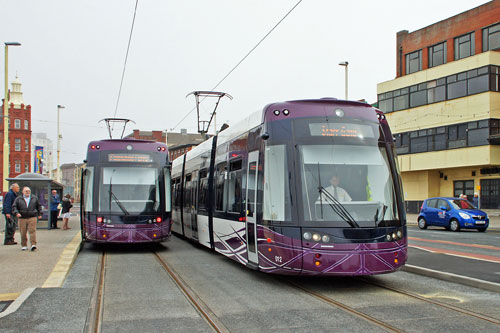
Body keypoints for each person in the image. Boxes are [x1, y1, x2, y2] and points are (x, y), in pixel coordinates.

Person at [12, 186, 42, 251]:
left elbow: (38, 206)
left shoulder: (34, 198)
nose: (27, 192)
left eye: (29, 191)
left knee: (32, 231)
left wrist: (39, 214)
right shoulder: (18, 199)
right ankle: (24, 245)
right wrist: (16, 213)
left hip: (32, 217)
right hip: (22, 217)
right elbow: (14, 207)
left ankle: (33, 244)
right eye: (26, 191)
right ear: (23, 192)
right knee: (23, 232)